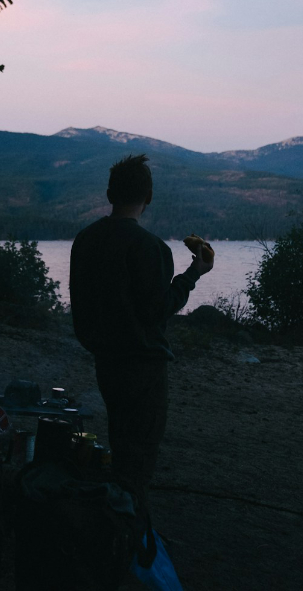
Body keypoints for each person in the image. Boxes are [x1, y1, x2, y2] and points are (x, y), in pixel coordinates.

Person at [69, 153, 214, 522]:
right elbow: (158, 309)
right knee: (139, 458)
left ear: (108, 194)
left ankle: (117, 526)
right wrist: (193, 273)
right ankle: (129, 536)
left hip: (105, 362)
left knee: (121, 443)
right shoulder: (151, 248)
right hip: (143, 367)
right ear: (148, 198)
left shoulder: (85, 240)